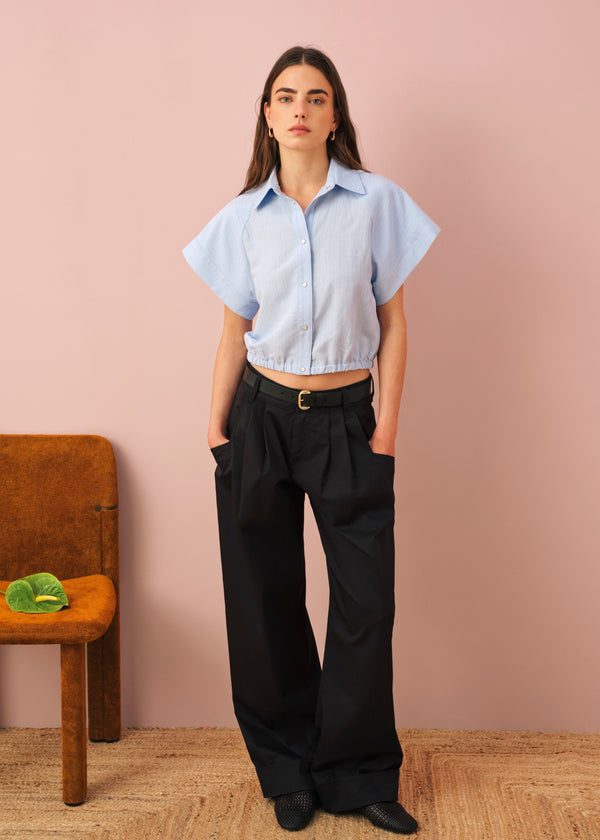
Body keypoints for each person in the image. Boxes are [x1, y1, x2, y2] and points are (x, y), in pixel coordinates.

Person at [182, 45, 440, 834]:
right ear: (267, 114)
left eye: (317, 97)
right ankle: (288, 769)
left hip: (348, 423)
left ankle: (359, 775)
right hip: (259, 419)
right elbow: (233, 335)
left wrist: (385, 428)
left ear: (335, 114)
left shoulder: (376, 203)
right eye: (285, 95)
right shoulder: (241, 219)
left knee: (366, 603)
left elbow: (394, 326)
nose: (300, 108)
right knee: (263, 599)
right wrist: (218, 428)